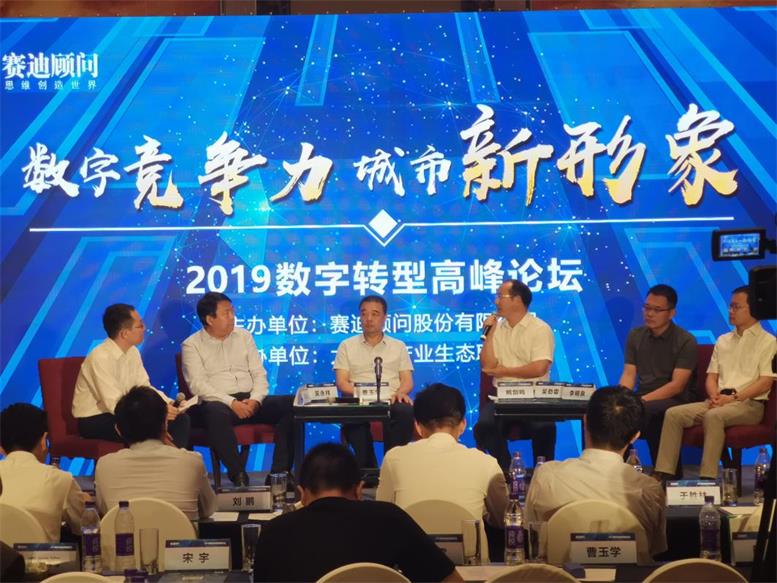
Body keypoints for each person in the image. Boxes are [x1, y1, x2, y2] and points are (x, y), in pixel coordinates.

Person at [253, 443, 461, 583]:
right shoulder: (390, 519)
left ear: (302, 494)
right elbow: (450, 580)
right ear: (359, 490)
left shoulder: (274, 531)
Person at [525, 386, 667, 558]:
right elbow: (653, 549)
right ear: (635, 436)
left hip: (560, 572)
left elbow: (530, 532)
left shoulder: (546, 475)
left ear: (585, 421)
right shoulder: (650, 490)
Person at [654, 286, 776, 479]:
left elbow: (765, 382)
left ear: (753, 309)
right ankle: (664, 474)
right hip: (718, 401)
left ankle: (707, 478)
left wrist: (733, 398)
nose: (730, 311)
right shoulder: (723, 340)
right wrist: (714, 396)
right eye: (730, 306)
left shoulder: (768, 341)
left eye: (736, 307)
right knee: (674, 414)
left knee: (714, 416)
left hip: (749, 405)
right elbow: (711, 377)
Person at [376, 383, 508, 562]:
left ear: (418, 426)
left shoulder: (394, 458)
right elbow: (504, 519)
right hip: (472, 568)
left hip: (408, 566)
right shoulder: (486, 462)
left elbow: (383, 517)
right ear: (463, 425)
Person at [182, 292, 294, 487]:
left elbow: (259, 373)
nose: (232, 317)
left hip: (250, 400)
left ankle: (279, 474)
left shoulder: (244, 336)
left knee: (292, 404)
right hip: (218, 403)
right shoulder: (191, 345)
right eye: (226, 313)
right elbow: (198, 385)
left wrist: (256, 400)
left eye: (232, 311)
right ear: (210, 319)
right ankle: (238, 473)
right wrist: (231, 403)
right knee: (214, 412)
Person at [72, 303, 190, 449]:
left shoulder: (132, 352)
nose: (144, 328)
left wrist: (168, 404)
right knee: (148, 426)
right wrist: (156, 412)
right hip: (96, 419)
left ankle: (174, 460)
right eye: (140, 326)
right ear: (124, 333)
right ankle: (159, 460)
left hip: (127, 412)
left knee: (180, 419)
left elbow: (144, 387)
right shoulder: (99, 357)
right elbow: (114, 403)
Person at [95, 386, 216, 519]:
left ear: (118, 430)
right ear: (165, 423)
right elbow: (208, 509)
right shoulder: (192, 461)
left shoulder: (104, 465)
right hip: (178, 533)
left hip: (125, 533)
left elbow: (105, 511)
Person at [474, 279, 556, 471]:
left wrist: (503, 371)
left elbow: (539, 368)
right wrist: (489, 335)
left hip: (535, 397)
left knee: (545, 427)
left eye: (500, 296)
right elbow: (487, 366)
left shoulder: (540, 329)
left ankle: (543, 474)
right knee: (484, 426)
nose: (496, 301)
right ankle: (507, 470)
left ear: (517, 300)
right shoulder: (497, 329)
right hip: (501, 397)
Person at [334, 295, 415, 476]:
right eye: (364, 314)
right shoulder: (346, 346)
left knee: (405, 411)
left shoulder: (398, 346)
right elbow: (342, 382)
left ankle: (392, 468)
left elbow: (407, 380)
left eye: (375, 314)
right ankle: (368, 470)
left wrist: (400, 393)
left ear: (385, 317)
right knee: (352, 415)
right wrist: (364, 394)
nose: (368, 318)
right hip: (358, 399)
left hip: (391, 399)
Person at [618, 284, 697, 467]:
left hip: (676, 399)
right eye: (647, 308)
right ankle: (615, 469)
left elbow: (677, 385)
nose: (650, 314)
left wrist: (641, 401)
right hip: (644, 396)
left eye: (657, 310)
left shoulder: (685, 340)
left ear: (671, 313)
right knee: (611, 410)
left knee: (649, 412)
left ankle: (664, 472)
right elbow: (629, 374)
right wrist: (621, 398)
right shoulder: (636, 335)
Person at [0, 403, 85, 542]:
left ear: (1, 446)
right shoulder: (60, 479)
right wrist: (87, 505)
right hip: (42, 556)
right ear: (44, 441)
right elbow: (84, 527)